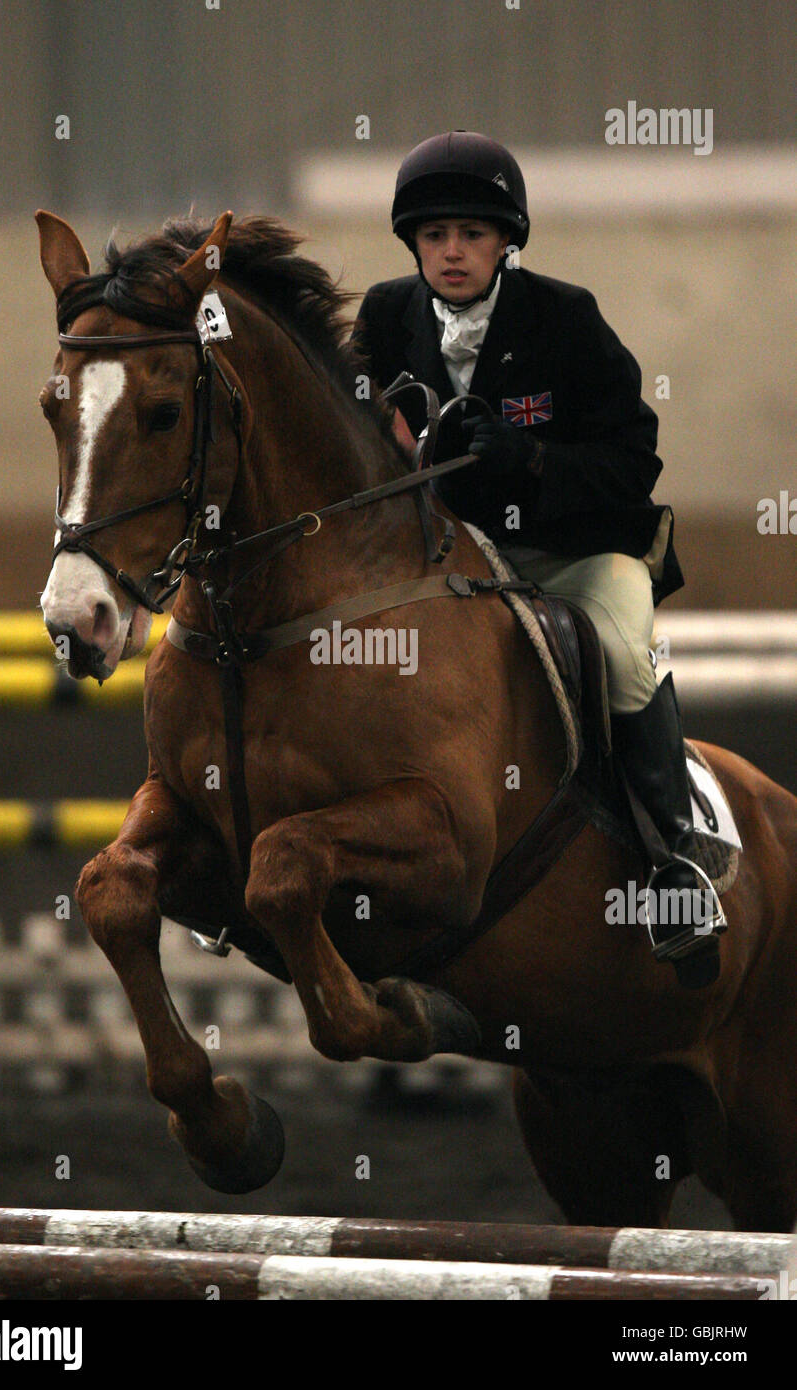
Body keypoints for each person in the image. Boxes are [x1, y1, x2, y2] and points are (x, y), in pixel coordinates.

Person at [352, 129, 724, 987]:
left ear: (506, 242)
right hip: (453, 556)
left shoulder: (566, 318)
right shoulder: (384, 317)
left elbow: (634, 461)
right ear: (412, 240)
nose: (452, 252)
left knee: (625, 657)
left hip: (578, 551)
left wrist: (529, 459)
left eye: (473, 235)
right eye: (436, 234)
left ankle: (675, 865)